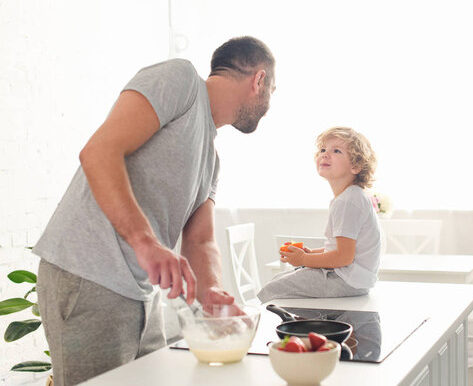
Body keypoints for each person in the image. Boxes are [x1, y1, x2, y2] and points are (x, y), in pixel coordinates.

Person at [32, 36, 276, 386]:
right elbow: (99, 152)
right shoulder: (181, 80)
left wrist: (211, 294)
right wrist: (147, 244)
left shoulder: (212, 160)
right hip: (89, 275)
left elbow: (201, 240)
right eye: (271, 91)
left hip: (141, 295)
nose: (268, 103)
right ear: (259, 80)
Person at [257, 126, 381, 302]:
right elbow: (340, 249)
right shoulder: (351, 197)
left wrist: (304, 259)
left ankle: (255, 326)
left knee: (274, 288)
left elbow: (344, 257)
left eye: (336, 151)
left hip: (346, 280)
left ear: (356, 166)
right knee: (279, 280)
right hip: (352, 279)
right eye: (323, 149)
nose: (325, 154)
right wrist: (312, 253)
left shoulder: (347, 201)